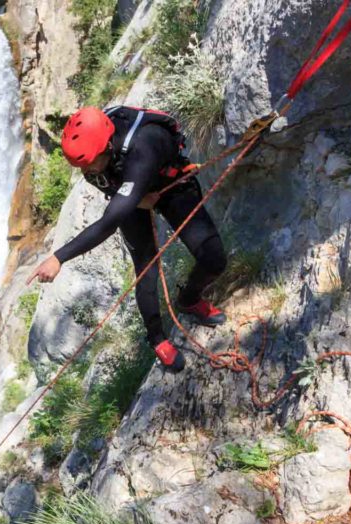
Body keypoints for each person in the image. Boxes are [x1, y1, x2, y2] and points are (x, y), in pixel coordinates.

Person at [27, 105, 229, 372]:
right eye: (81, 166)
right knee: (146, 269)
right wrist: (135, 199)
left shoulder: (144, 145)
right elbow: (107, 183)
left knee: (214, 258)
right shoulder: (96, 152)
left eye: (89, 164)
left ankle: (189, 299)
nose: (86, 171)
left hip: (170, 185)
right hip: (131, 194)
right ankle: (157, 338)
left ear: (108, 145)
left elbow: (109, 222)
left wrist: (59, 257)